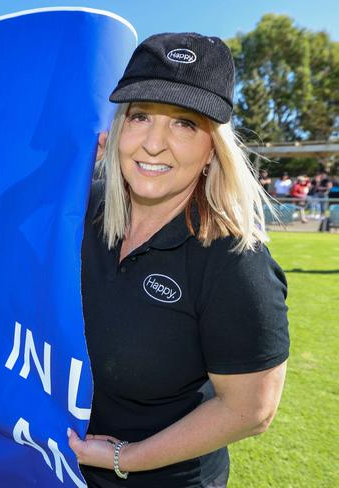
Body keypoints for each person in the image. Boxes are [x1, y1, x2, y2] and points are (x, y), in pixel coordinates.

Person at [68, 33, 289, 488]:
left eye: (184, 123)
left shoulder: (234, 261)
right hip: (61, 472)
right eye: (140, 116)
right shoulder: (79, 215)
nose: (153, 144)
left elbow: (250, 409)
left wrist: (125, 456)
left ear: (214, 148)